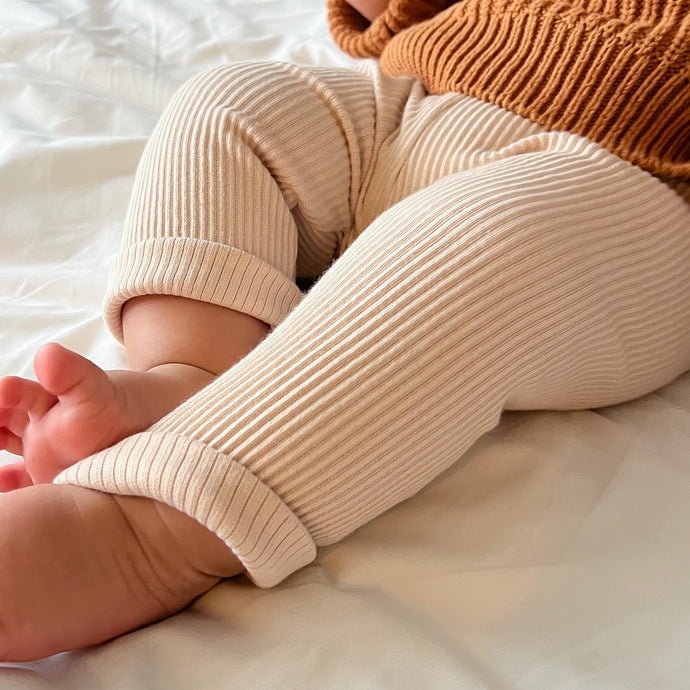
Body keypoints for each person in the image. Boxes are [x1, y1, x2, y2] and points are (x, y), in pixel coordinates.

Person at [1, 0, 689, 662]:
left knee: (472, 247)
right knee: (229, 105)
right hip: (423, 95)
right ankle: (192, 372)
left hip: (635, 175)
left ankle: (141, 534)